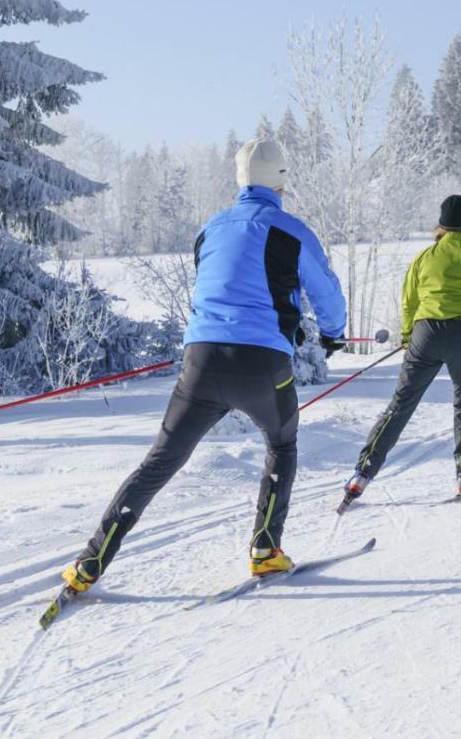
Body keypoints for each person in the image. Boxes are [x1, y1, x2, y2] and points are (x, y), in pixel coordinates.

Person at [60, 139, 346, 594]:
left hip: (202, 361)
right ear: (281, 181)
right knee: (282, 444)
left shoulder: (210, 228)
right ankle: (265, 550)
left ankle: (90, 562)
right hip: (263, 364)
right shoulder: (291, 230)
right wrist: (332, 333)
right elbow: (326, 293)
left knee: (160, 461)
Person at [344, 194, 461, 499]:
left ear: (441, 225)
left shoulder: (424, 257)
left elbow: (408, 299)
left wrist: (408, 336)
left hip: (427, 332)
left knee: (400, 405)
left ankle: (362, 474)